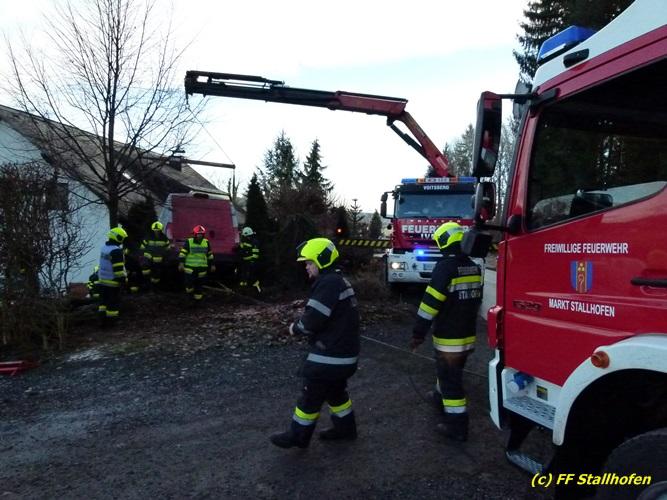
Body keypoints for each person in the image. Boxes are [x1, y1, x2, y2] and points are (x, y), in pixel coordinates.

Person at [270, 238, 360, 449]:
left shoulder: (328, 283)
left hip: (330, 356)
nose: (306, 267)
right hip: (344, 355)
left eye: (309, 262)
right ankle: (346, 429)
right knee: (336, 391)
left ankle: (297, 436)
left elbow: (312, 321)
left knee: (311, 393)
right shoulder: (338, 280)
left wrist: (294, 328)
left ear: (322, 260)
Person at [410, 222, 483, 442]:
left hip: (449, 338)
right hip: (467, 336)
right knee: (450, 372)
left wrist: (418, 333)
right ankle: (438, 396)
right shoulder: (474, 267)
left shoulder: (444, 268)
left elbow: (429, 305)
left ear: (444, 242)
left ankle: (457, 426)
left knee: (451, 382)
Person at [98, 226, 128, 325]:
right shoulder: (116, 251)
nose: (122, 240)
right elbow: (118, 270)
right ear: (117, 237)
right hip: (112, 282)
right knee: (113, 303)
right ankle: (112, 322)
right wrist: (123, 280)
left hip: (102, 280)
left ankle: (102, 320)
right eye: (122, 238)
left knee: (103, 303)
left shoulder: (104, 248)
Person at [178, 225, 215, 302]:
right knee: (189, 284)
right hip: (190, 268)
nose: (200, 236)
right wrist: (181, 264)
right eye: (198, 234)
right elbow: (182, 253)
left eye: (201, 234)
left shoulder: (206, 242)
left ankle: (198, 301)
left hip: (202, 268)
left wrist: (212, 265)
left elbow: (210, 255)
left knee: (199, 286)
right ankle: (190, 296)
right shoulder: (189, 242)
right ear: (194, 234)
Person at [141, 221, 172, 289]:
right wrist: (148, 256)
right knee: (146, 271)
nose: (156, 232)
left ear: (161, 230)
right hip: (148, 260)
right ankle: (147, 285)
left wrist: (163, 257)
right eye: (155, 230)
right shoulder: (148, 237)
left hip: (159, 261)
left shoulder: (164, 238)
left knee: (157, 274)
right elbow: (142, 248)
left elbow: (168, 249)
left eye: (158, 230)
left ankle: (155, 287)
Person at [238, 226, 260, 292]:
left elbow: (255, 254)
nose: (246, 237)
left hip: (251, 262)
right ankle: (243, 287)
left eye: (246, 236)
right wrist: (238, 249)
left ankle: (257, 289)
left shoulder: (254, 242)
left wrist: (252, 261)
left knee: (252, 275)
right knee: (243, 274)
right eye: (245, 236)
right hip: (244, 261)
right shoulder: (245, 241)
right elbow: (242, 247)